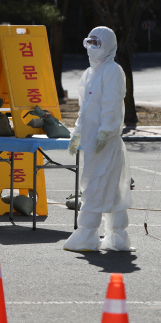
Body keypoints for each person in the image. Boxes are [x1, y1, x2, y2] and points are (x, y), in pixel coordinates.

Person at [64, 26, 134, 252]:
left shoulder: (113, 71)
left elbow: (111, 104)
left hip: (107, 140)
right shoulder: (89, 74)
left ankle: (87, 233)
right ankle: (117, 237)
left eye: (97, 43)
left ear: (108, 45)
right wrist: (76, 133)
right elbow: (85, 110)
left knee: (96, 185)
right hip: (93, 141)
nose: (92, 48)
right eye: (89, 42)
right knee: (111, 187)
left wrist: (106, 130)